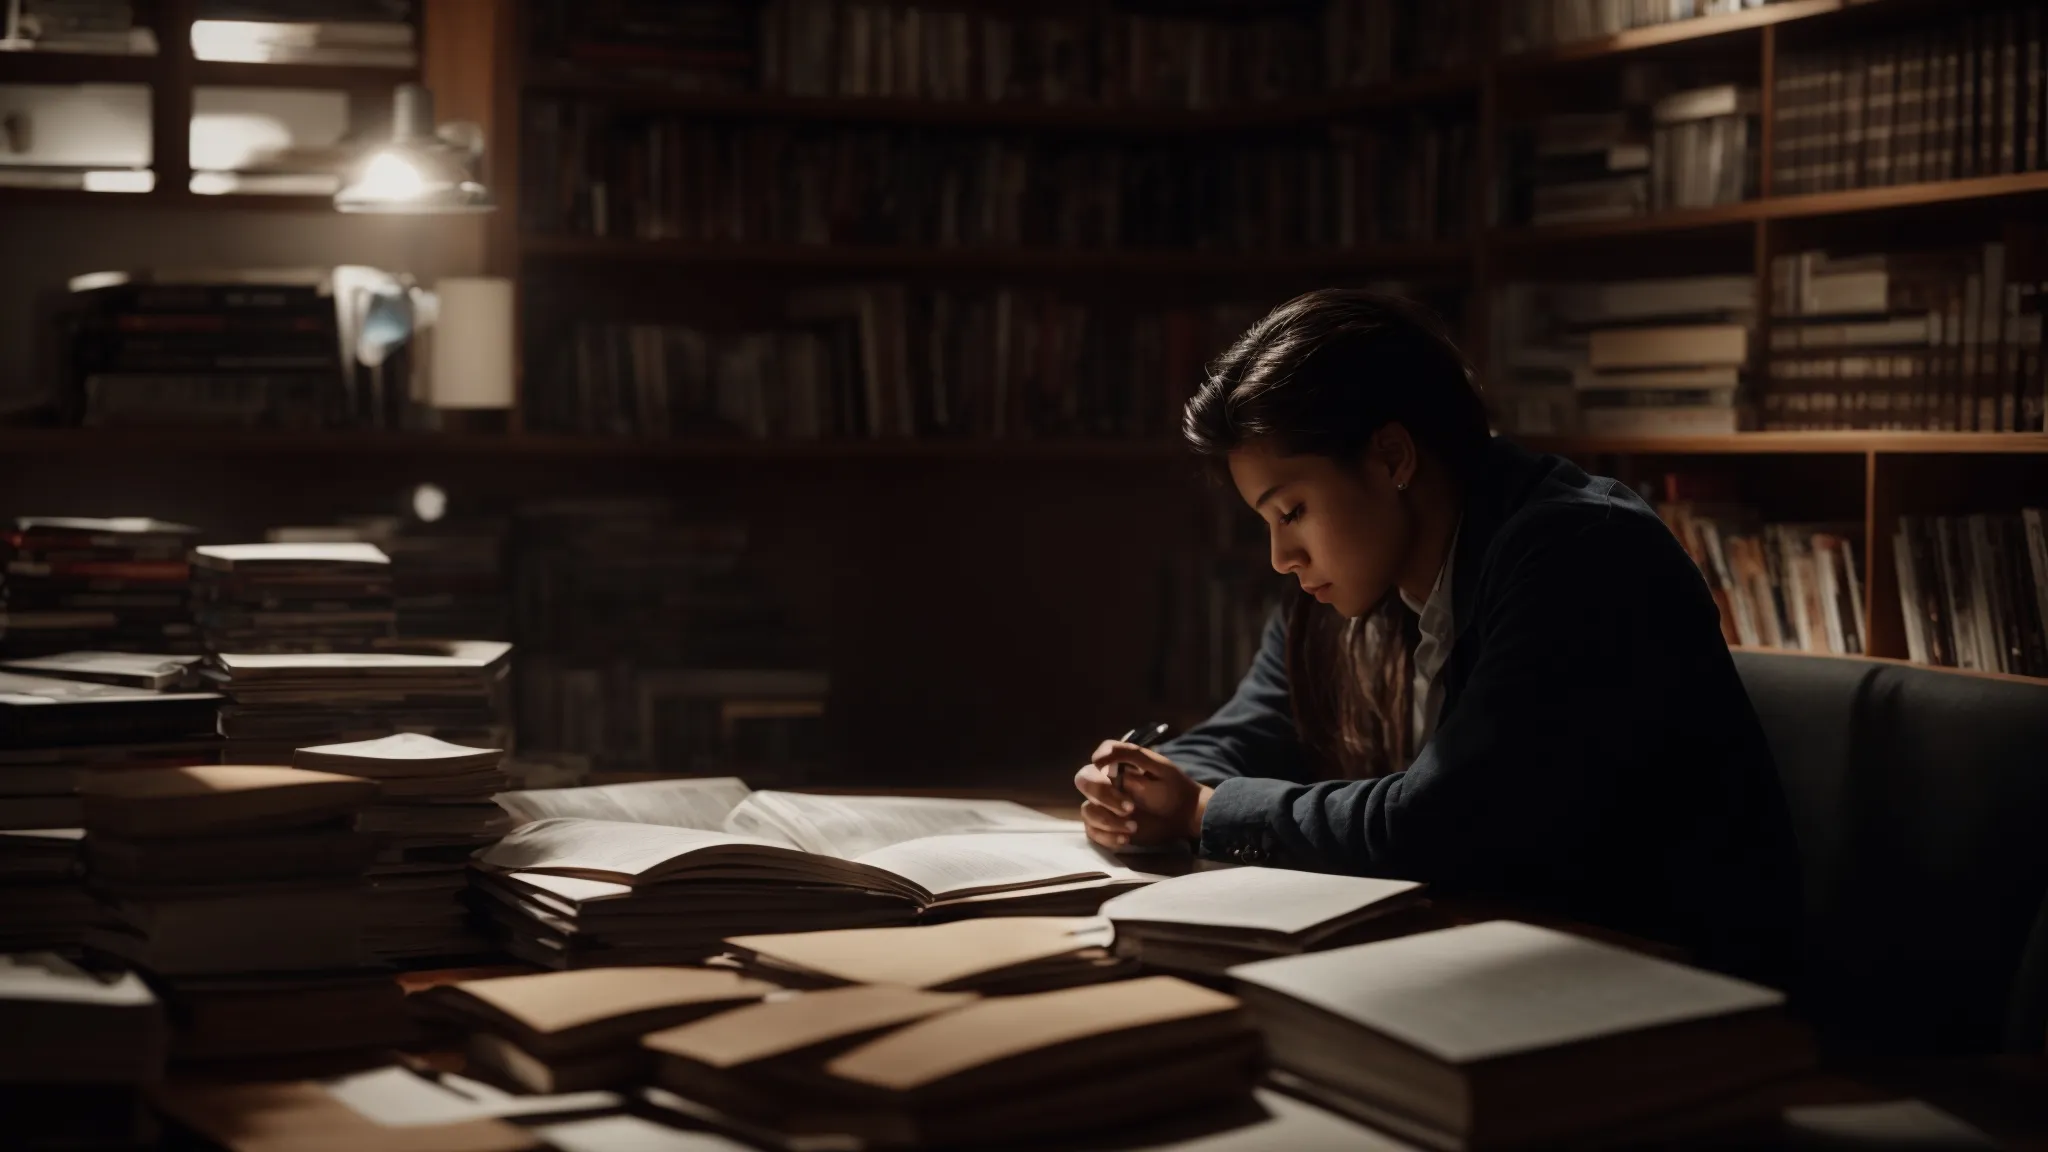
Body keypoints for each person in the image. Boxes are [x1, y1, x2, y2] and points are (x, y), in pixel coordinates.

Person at [1073, 289, 1802, 988]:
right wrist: (1141, 785)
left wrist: (1202, 811)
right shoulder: (1348, 586)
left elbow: (1443, 822)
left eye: (1291, 510)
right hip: (1485, 961)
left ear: (1393, 458)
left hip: (1671, 995)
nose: (1280, 557)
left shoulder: (1580, 555)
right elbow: (1245, 735)